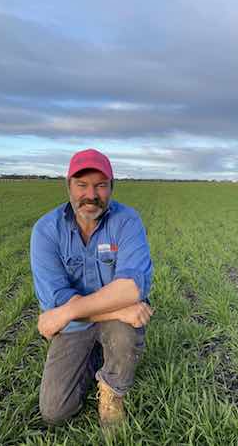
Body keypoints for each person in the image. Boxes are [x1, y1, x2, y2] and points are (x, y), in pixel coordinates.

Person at [30, 148, 153, 428]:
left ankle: (112, 392)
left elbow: (132, 287)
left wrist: (65, 313)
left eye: (100, 185)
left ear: (112, 187)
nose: (91, 194)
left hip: (97, 321)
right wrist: (118, 310)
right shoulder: (46, 231)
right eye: (82, 185)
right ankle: (96, 354)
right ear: (68, 186)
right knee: (55, 411)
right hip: (81, 324)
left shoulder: (127, 221)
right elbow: (57, 300)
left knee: (123, 333)